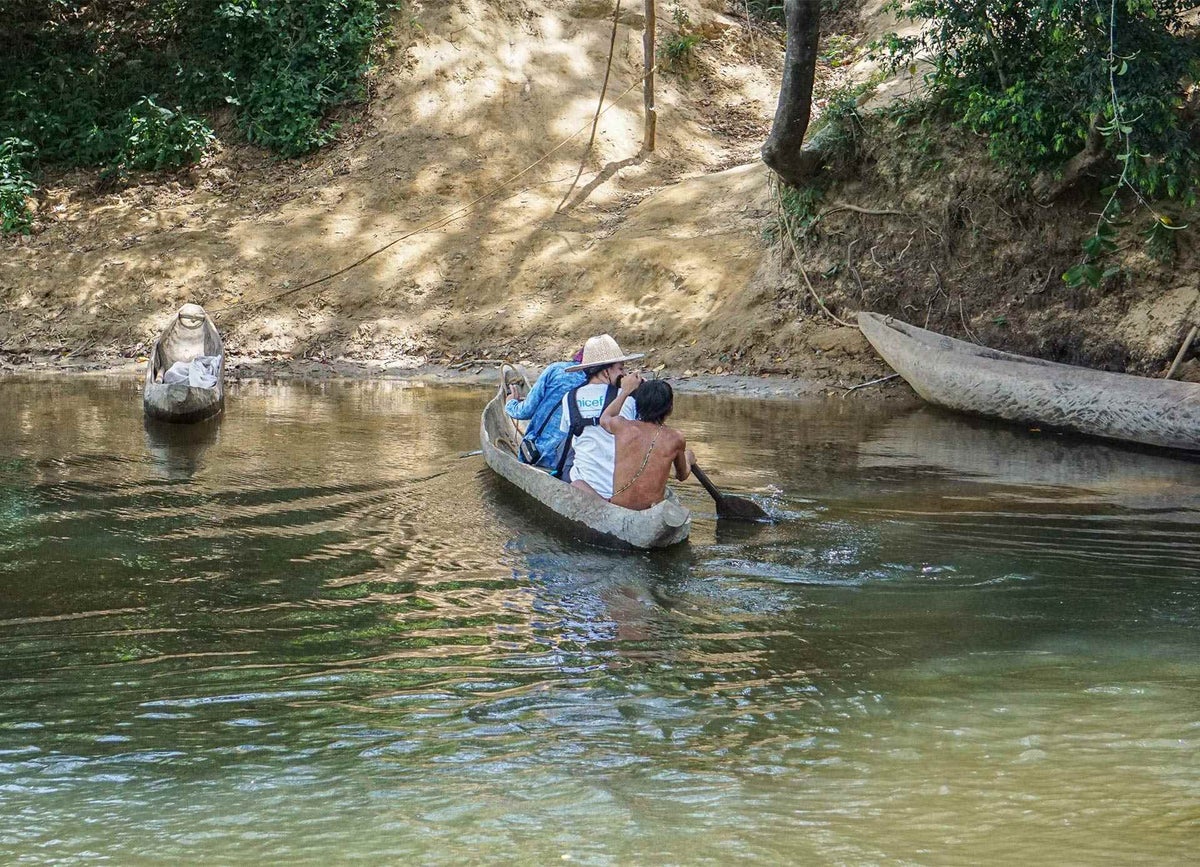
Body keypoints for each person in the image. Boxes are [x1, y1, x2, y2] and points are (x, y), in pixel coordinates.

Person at [558, 334, 644, 499]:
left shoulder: (569, 397)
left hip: (582, 486)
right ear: (606, 371)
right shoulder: (627, 399)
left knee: (570, 447)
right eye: (620, 369)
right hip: (619, 489)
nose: (624, 374)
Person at [599, 374, 694, 510]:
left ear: (638, 405)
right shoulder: (675, 438)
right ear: (670, 408)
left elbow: (605, 418)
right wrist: (688, 458)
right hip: (650, 511)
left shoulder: (622, 426)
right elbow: (682, 475)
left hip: (618, 507)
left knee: (578, 483)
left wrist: (626, 391)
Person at [505, 348, 587, 470]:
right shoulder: (608, 388)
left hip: (540, 455)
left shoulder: (556, 370)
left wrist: (510, 403)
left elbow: (524, 412)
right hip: (577, 462)